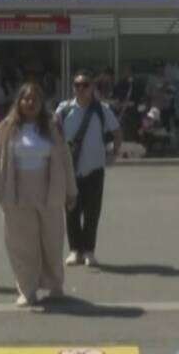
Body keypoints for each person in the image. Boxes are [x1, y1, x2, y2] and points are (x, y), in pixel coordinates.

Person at [0, 82, 76, 306]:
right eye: (25, 99)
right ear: (19, 102)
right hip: (16, 192)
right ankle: (27, 290)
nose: (30, 103)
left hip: (49, 191)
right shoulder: (6, 127)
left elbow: (65, 159)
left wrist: (71, 191)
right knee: (22, 244)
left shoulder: (52, 126)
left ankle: (55, 285)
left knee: (52, 241)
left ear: (41, 103)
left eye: (34, 99)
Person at [58, 70, 121, 268]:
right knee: (71, 211)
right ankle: (75, 250)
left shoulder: (101, 109)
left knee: (92, 212)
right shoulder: (64, 109)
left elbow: (117, 132)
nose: (81, 89)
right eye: (77, 85)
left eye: (85, 85)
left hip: (95, 168)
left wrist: (115, 153)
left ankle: (89, 251)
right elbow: (53, 132)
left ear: (92, 87)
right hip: (70, 169)